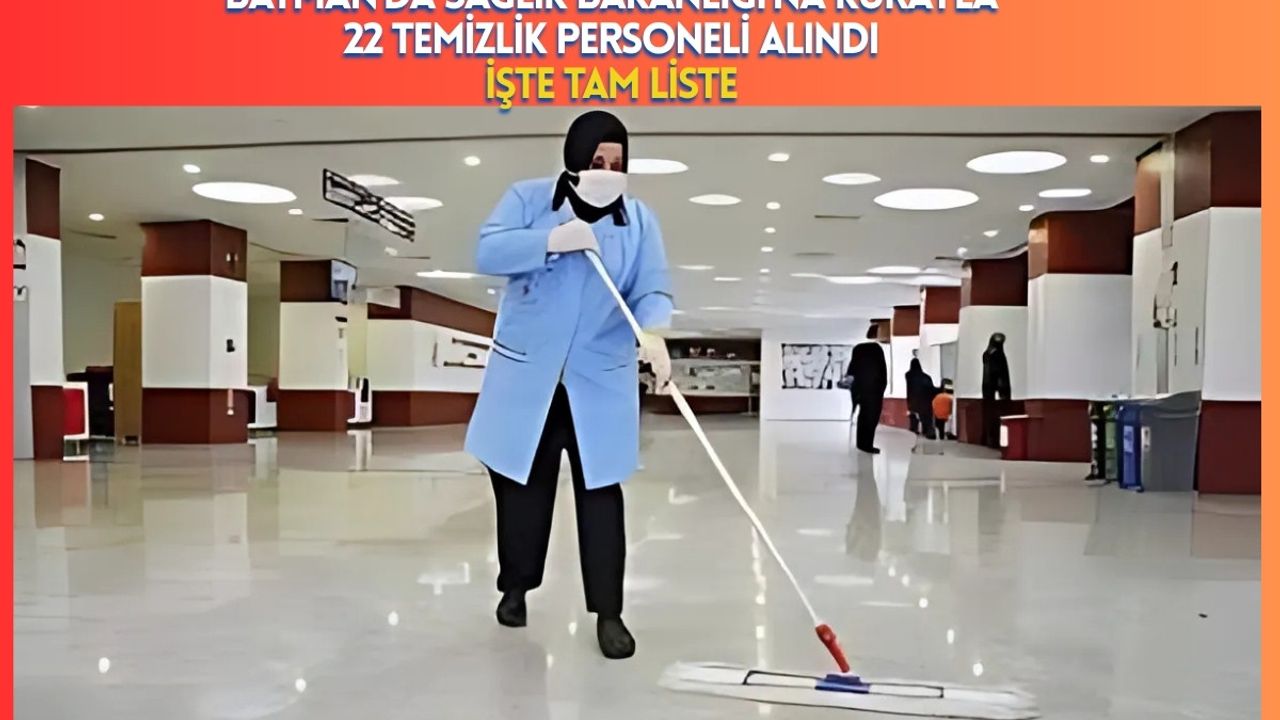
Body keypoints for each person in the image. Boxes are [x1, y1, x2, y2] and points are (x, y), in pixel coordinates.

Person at [464, 110, 673, 661]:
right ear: (575, 157)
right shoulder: (528, 198)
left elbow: (652, 287)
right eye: (597, 160)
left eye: (618, 163)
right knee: (521, 491)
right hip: (528, 378)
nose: (608, 172)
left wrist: (654, 331)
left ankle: (609, 612)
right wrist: (550, 239)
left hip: (597, 382)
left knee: (601, 497)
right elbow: (487, 251)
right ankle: (515, 587)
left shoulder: (639, 220)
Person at [845, 326, 888, 454]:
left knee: (863, 416)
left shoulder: (858, 348)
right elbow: (882, 372)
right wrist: (881, 388)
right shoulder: (876, 349)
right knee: (871, 417)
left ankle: (862, 443)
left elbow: (852, 370)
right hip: (873, 390)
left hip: (861, 389)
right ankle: (867, 444)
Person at [981, 333, 1012, 448]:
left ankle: (988, 438)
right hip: (999, 391)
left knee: (988, 414)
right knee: (999, 416)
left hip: (987, 390)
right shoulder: (998, 355)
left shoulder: (986, 354)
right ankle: (995, 439)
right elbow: (1000, 373)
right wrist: (1003, 390)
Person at [904, 358, 938, 439]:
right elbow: (931, 389)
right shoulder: (926, 377)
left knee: (913, 415)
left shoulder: (908, 375)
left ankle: (913, 429)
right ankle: (928, 431)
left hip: (913, 400)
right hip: (925, 400)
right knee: (927, 417)